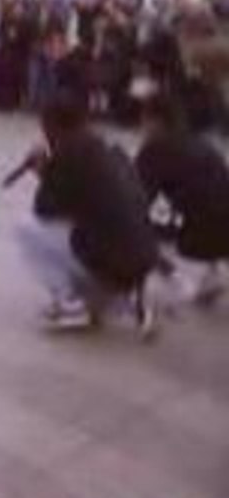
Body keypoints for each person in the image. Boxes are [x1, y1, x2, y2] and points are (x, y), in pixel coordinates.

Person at [12, 94, 159, 334]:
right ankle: (107, 299)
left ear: (51, 125)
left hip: (116, 258)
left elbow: (44, 210)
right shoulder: (108, 148)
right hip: (143, 258)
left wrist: (43, 171)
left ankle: (74, 303)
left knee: (26, 229)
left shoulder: (68, 152)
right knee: (84, 228)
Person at [136, 95, 229, 304]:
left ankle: (180, 281)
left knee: (137, 226)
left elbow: (136, 196)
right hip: (224, 221)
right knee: (200, 207)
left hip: (199, 233)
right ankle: (211, 274)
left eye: (144, 120)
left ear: (155, 121)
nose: (142, 126)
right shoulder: (201, 142)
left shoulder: (154, 149)